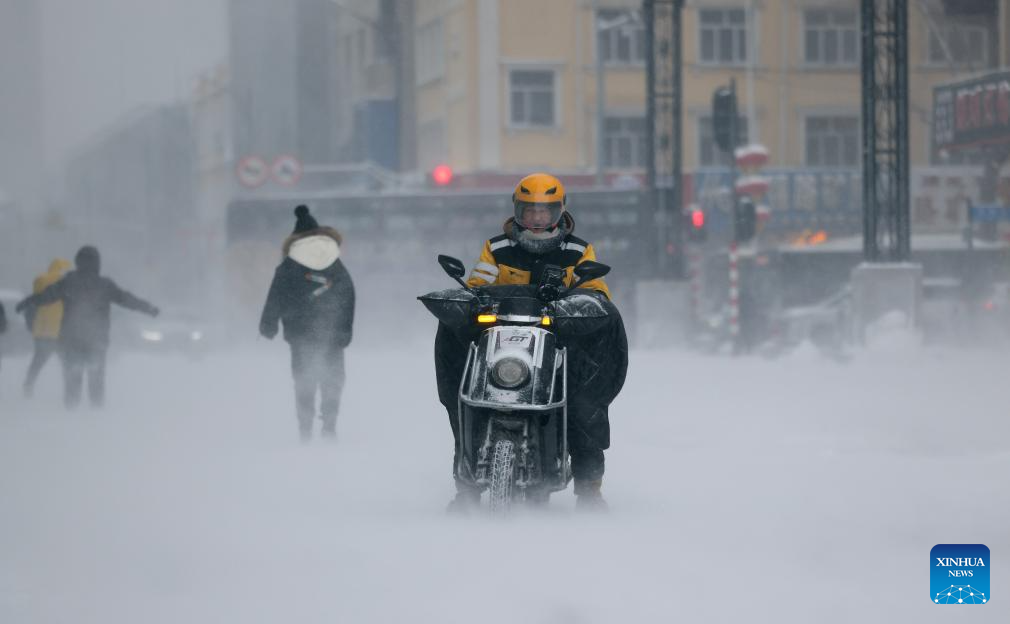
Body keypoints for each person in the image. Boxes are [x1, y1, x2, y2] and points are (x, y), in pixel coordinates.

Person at [436, 173, 627, 512]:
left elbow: (596, 292)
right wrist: (473, 299)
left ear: (559, 211)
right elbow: (479, 285)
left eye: (545, 211)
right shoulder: (497, 248)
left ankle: (589, 489)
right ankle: (466, 489)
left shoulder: (579, 250)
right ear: (517, 211)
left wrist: (571, 301)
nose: (537, 218)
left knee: (584, 406)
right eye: (530, 211)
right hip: (503, 339)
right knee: (466, 398)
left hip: (561, 342)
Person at [15, 246, 159, 409]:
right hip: (96, 341)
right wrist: (148, 308)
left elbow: (46, 296)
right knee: (96, 379)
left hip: (70, 340)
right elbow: (126, 299)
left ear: (78, 262)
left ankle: (71, 413)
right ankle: (95, 414)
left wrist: (27, 302)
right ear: (97, 263)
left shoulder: (69, 281)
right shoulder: (104, 285)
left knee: (72, 380)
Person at [260, 205, 355, 441]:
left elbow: (276, 296)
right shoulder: (335, 262)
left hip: (299, 333)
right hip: (333, 335)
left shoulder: (288, 266)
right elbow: (348, 296)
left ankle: (305, 430)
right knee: (332, 379)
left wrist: (268, 325)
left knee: (304, 380)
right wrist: (344, 331)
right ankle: (329, 426)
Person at [21, 258, 72, 397]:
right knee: (66, 363)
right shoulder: (66, 283)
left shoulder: (40, 281)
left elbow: (32, 306)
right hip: (60, 332)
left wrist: (31, 326)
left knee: (38, 361)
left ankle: (28, 385)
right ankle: (70, 392)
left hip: (42, 331)